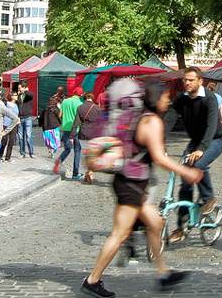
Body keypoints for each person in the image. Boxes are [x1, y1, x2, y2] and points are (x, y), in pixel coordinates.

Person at [80, 80, 203, 298]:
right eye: (165, 96)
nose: (168, 100)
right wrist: (187, 172)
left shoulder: (139, 116)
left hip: (132, 181)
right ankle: (92, 280)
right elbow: (158, 157)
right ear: (157, 98)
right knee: (120, 234)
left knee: (156, 223)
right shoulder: (151, 121)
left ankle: (163, 272)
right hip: (131, 185)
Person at [164, 67, 222, 242]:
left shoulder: (209, 98)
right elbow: (169, 119)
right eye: (185, 80)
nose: (187, 83)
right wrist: (160, 142)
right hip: (195, 141)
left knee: (198, 165)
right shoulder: (181, 99)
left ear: (200, 81)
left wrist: (202, 149)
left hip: (214, 140)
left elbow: (211, 125)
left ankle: (208, 198)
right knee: (185, 181)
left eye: (191, 80)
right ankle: (181, 226)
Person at [72, 91, 103, 184]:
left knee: (84, 153)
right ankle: (91, 171)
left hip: (83, 133)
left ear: (84, 98)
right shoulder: (97, 109)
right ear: (92, 98)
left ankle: (87, 170)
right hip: (94, 134)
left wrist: (72, 136)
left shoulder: (80, 108)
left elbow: (76, 123)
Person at [55, 87, 85, 179]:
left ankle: (59, 161)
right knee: (77, 150)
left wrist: (64, 121)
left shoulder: (65, 101)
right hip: (76, 129)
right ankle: (75, 173)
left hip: (66, 128)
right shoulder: (80, 104)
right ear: (81, 95)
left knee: (67, 148)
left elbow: (60, 115)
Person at [16, 79, 36, 159]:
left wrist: (26, 91)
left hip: (28, 117)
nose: (19, 90)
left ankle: (31, 152)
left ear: (24, 87)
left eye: (20, 88)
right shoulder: (18, 96)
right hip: (20, 118)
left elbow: (31, 95)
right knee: (21, 137)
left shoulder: (29, 95)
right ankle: (22, 152)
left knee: (28, 136)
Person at [41, 87, 64, 158]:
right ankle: (54, 149)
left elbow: (41, 118)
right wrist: (61, 123)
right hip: (55, 126)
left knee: (48, 140)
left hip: (46, 127)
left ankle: (50, 150)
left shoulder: (44, 109)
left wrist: (40, 124)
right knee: (56, 139)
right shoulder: (56, 109)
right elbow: (59, 116)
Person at [1, 90, 20, 162]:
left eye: (16, 95)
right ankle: (0, 155)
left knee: (11, 141)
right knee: (4, 141)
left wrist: (18, 120)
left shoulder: (16, 105)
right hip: (6, 124)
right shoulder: (6, 104)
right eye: (15, 95)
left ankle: (8, 157)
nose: (16, 96)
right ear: (11, 96)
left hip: (14, 125)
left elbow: (17, 114)